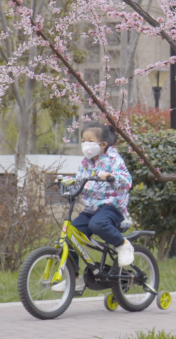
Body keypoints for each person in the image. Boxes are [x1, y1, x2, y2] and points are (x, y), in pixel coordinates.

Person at [53, 122, 134, 292]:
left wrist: (111, 177)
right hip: (91, 209)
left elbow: (127, 182)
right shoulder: (85, 163)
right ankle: (74, 278)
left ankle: (123, 244)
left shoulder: (114, 159)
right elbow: (79, 183)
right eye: (83, 140)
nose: (85, 144)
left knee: (97, 224)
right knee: (70, 236)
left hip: (112, 208)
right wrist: (66, 183)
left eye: (89, 140)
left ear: (102, 145)